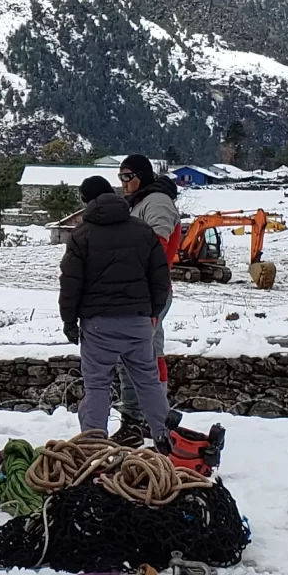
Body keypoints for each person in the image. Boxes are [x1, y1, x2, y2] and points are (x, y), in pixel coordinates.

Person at [60, 175, 174, 451]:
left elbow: (71, 283)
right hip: (138, 321)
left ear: (87, 202)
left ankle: (93, 446)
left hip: (98, 324)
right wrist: (153, 312)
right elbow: (160, 277)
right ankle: (167, 438)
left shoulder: (82, 235)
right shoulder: (142, 231)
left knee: (98, 386)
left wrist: (69, 321)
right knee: (148, 382)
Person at [110, 155, 183, 446]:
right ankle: (153, 420)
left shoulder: (156, 203)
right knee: (150, 354)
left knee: (134, 356)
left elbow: (156, 248)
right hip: (145, 290)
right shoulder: (142, 202)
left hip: (148, 292)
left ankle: (137, 421)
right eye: (120, 178)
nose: (123, 183)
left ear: (141, 175)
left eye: (127, 177)